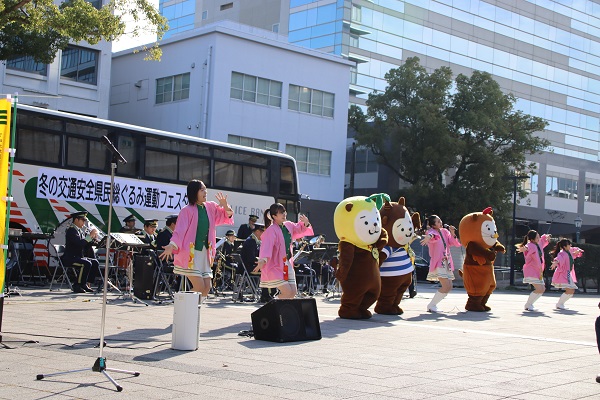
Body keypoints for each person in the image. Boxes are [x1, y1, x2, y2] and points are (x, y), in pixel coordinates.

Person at [159, 179, 234, 302]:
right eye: (202, 189)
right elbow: (180, 231)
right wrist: (171, 245)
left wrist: (225, 205)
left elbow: (226, 216)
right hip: (191, 254)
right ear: (194, 192)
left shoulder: (210, 206)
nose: (205, 192)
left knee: (207, 287)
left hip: (205, 253)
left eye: (205, 189)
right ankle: (182, 305)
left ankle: (192, 311)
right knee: (199, 286)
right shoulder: (186, 210)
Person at [253, 203, 313, 299]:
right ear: (274, 216)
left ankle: (278, 310)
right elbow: (266, 246)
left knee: (292, 293)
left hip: (287, 263)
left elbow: (299, 228)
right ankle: (272, 309)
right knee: (287, 292)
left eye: (284, 212)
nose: (284, 214)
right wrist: (263, 260)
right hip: (276, 265)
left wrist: (306, 223)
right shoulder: (271, 230)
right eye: (281, 213)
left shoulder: (289, 225)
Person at [420, 215, 461, 312]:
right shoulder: (431, 232)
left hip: (447, 262)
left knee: (449, 286)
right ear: (433, 225)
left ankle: (432, 305)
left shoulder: (445, 232)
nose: (440, 222)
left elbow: (454, 243)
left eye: (440, 220)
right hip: (439, 262)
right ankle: (431, 305)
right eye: (438, 222)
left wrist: (452, 233)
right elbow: (433, 236)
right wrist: (429, 237)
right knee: (446, 286)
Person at [63, 211, 99, 293]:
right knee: (86, 263)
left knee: (94, 262)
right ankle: (77, 285)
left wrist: (93, 239)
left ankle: (84, 283)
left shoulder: (79, 231)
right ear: (76, 220)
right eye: (82, 220)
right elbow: (79, 244)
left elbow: (84, 245)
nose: (84, 223)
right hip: (70, 258)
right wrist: (89, 236)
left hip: (77, 257)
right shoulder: (71, 231)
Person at [516, 230, 551, 311]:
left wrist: (546, 237)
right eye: (537, 237)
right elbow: (527, 247)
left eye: (538, 237)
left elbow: (543, 239)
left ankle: (530, 304)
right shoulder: (531, 245)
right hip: (531, 270)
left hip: (538, 271)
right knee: (539, 288)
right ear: (532, 239)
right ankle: (528, 304)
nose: (539, 238)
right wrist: (524, 249)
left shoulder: (538, 244)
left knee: (542, 289)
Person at [240, 223, 273, 302]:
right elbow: (251, 258)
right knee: (268, 271)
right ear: (258, 231)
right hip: (249, 267)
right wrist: (262, 261)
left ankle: (267, 295)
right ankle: (266, 295)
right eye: (263, 232)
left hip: (252, 265)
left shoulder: (255, 241)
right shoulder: (251, 241)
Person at [550, 238, 584, 310]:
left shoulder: (569, 251)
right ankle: (560, 304)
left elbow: (574, 250)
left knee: (571, 290)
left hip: (568, 274)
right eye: (569, 244)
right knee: (570, 289)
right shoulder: (562, 253)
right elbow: (558, 258)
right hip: (564, 274)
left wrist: (578, 251)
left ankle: (560, 303)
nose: (570, 245)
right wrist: (555, 262)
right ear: (564, 247)